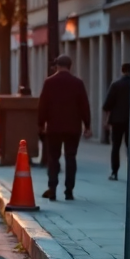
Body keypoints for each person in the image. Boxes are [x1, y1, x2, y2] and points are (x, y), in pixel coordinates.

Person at [37, 55, 92, 201]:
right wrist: (87, 125)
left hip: (54, 127)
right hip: (73, 127)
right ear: (70, 66)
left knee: (53, 158)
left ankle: (52, 188)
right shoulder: (78, 83)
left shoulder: (49, 82)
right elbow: (84, 105)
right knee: (71, 157)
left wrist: (41, 124)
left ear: (57, 66)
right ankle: (69, 191)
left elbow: (43, 105)